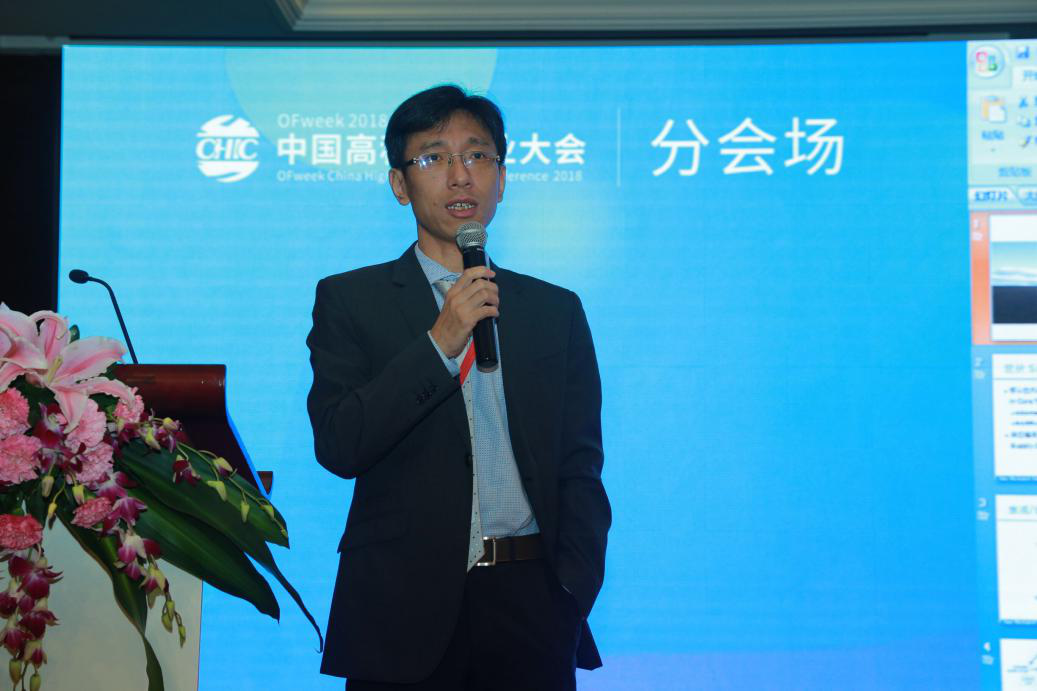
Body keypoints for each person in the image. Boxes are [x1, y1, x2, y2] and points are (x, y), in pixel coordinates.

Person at [307, 84, 611, 690]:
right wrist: (439, 343)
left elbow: (580, 466)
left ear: (502, 178)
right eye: (434, 157)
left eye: (477, 155)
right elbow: (341, 444)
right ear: (399, 184)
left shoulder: (555, 310)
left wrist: (571, 589)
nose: (459, 174)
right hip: (401, 608)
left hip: (532, 605)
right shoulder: (350, 299)